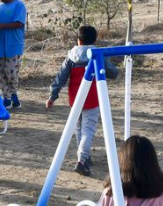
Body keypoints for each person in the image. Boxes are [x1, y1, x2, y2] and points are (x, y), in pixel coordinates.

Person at [46, 25, 118, 177]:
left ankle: (83, 155)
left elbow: (61, 78)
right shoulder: (98, 55)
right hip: (92, 99)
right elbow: (113, 73)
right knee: (88, 130)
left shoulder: (71, 57)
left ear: (78, 41)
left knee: (79, 128)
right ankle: (82, 161)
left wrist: (53, 96)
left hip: (75, 99)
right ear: (95, 40)